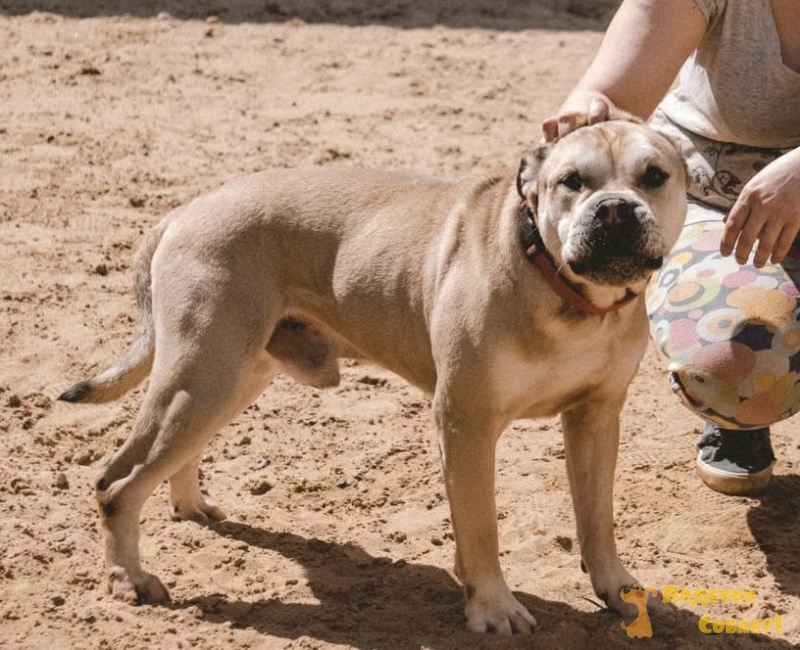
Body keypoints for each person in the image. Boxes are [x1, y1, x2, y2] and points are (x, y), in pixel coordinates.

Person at [542, 0, 800, 495]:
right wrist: (588, 109)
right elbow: (610, 94)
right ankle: (739, 419)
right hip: (723, 206)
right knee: (733, 364)